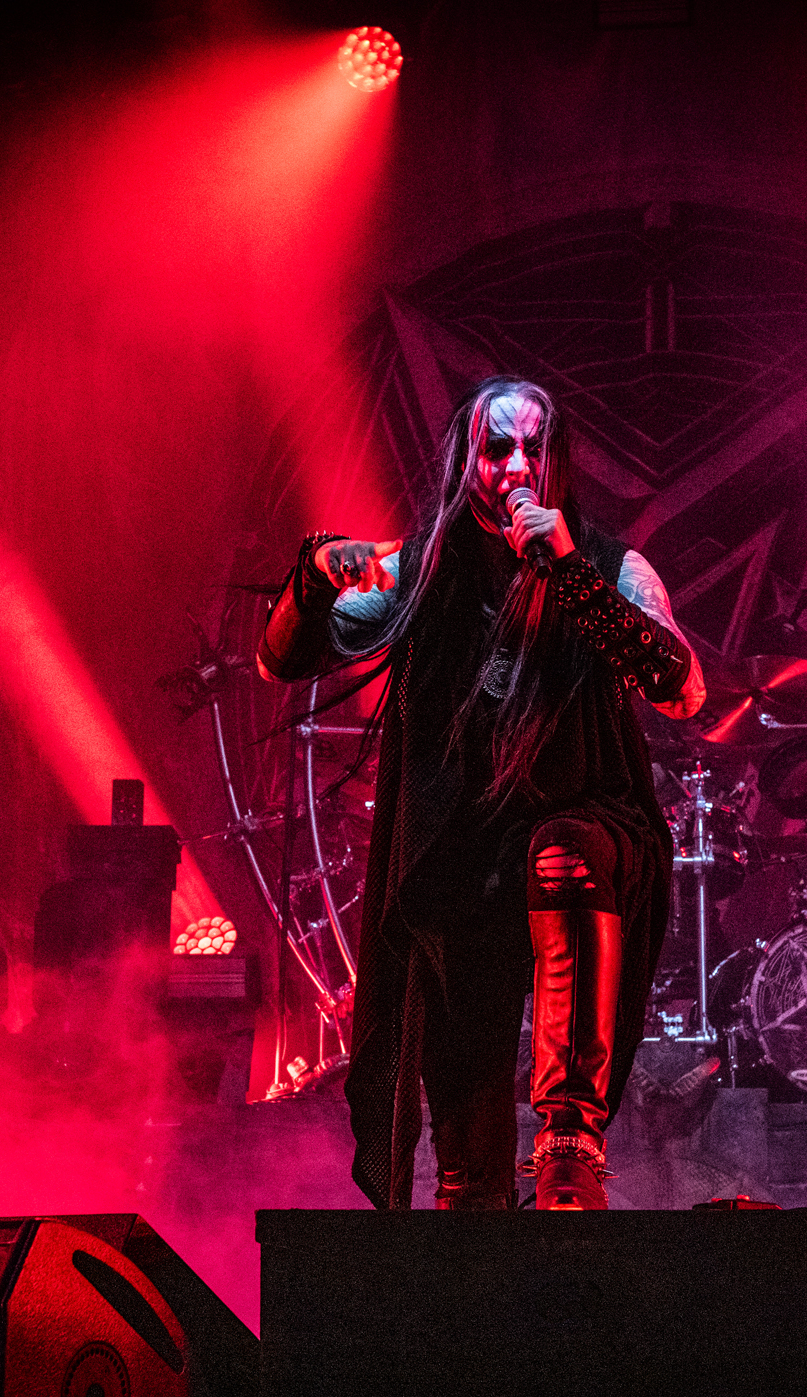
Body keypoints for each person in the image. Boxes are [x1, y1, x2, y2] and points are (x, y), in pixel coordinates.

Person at [260, 376, 705, 1210]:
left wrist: (569, 570)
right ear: (467, 462)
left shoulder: (611, 565)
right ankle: (472, 1206)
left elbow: (682, 689)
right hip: (462, 846)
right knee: (467, 1167)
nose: (518, 468)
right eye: (498, 449)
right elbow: (280, 660)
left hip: (587, 813)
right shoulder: (422, 567)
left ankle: (570, 1141)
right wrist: (316, 573)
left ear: (558, 459)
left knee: (563, 854)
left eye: (535, 449)